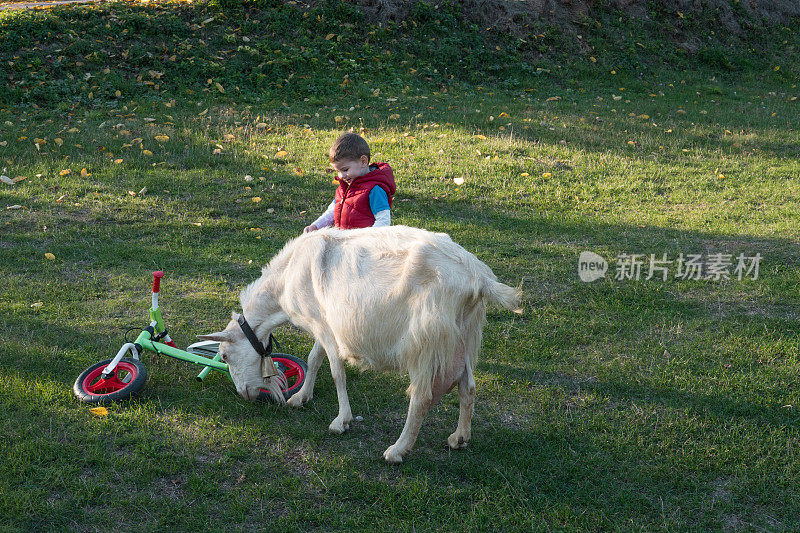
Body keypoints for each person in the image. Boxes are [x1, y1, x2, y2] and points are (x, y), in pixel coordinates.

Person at [304, 132, 396, 232]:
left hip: (365, 245)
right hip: (345, 243)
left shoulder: (374, 189)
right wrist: (315, 226)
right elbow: (331, 212)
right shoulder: (344, 188)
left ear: (363, 161)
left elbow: (383, 220)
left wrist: (367, 240)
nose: (341, 176)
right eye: (338, 171)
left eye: (345, 170)